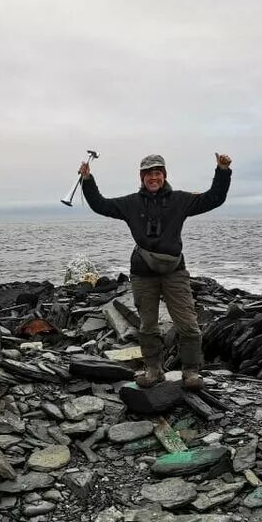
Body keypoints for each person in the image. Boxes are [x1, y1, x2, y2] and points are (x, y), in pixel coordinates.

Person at [80, 152, 232, 389]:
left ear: (164, 175)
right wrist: (88, 181)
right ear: (142, 177)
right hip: (142, 273)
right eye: (149, 173)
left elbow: (214, 198)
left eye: (157, 173)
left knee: (187, 323)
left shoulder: (181, 200)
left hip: (175, 272)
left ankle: (191, 372)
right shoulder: (130, 203)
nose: (154, 177)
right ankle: (153, 370)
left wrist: (222, 171)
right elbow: (100, 204)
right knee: (147, 325)